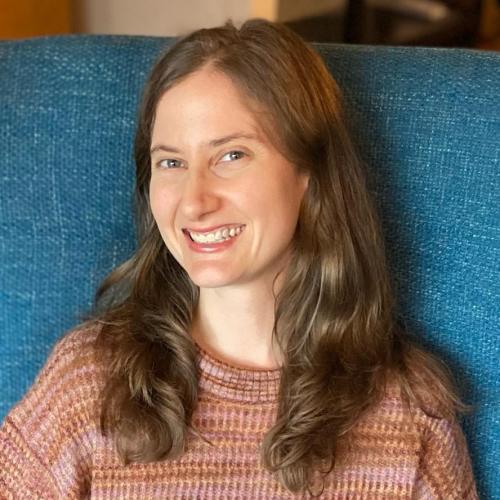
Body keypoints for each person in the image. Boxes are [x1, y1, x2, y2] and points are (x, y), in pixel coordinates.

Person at [0, 19, 478, 499]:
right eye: (171, 162)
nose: (193, 201)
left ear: (308, 173)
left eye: (231, 156)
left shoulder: (411, 412)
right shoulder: (89, 384)